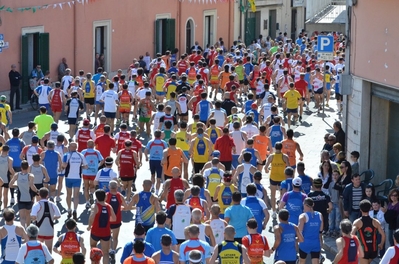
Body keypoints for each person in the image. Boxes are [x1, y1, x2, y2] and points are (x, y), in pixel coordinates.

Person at [351, 199, 386, 264]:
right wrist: (381, 244)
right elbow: (383, 235)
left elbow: (352, 235)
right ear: (370, 208)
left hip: (363, 250)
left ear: (360, 209)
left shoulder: (357, 222)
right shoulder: (376, 222)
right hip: (373, 250)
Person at [87, 189, 116, 264]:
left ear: (96, 197)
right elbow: (114, 218)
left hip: (95, 231)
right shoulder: (109, 207)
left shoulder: (95, 206)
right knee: (105, 252)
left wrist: (89, 226)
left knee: (93, 248)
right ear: (105, 197)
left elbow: (91, 217)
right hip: (106, 232)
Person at [62, 142, 88, 220]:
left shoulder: (66, 155)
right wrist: (80, 166)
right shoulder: (81, 155)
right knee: (76, 195)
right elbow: (86, 167)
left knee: (69, 194)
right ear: (76, 147)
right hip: (78, 177)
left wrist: (63, 168)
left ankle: (69, 209)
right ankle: (75, 210)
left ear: (70, 147)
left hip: (68, 177)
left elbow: (64, 165)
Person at [30, 187, 61, 252]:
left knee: (38, 249)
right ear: (48, 195)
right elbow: (58, 215)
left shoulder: (36, 204)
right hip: (49, 230)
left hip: (39, 230)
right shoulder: (52, 204)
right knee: (49, 250)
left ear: (39, 195)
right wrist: (52, 217)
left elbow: (33, 216)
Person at [9, 161, 39, 228]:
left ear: (21, 167)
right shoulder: (30, 176)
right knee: (28, 215)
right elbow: (32, 186)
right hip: (29, 198)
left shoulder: (17, 175)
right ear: (28, 167)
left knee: (22, 217)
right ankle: (27, 229)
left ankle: (23, 230)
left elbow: (10, 185)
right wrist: (37, 191)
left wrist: (17, 186)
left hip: (20, 198)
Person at [264, 142, 290, 219]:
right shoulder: (285, 156)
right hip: (282, 178)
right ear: (282, 148)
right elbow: (288, 167)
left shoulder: (271, 156)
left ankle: (274, 212)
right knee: (282, 195)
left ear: (275, 147)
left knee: (273, 195)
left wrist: (267, 170)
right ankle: (280, 208)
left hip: (273, 178)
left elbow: (265, 168)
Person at [106, 181, 130, 258]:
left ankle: (109, 250)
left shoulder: (106, 195)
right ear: (117, 188)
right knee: (115, 237)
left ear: (109, 187)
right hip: (117, 220)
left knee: (108, 236)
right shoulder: (120, 196)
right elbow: (126, 207)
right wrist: (121, 207)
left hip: (108, 220)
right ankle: (113, 250)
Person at [298, 198, 323, 264]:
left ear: (305, 205)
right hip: (316, 243)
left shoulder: (302, 216)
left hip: (305, 243)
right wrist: (321, 243)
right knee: (315, 262)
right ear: (313, 205)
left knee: (302, 261)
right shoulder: (320, 215)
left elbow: (299, 231)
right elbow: (320, 231)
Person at [81, 140, 104, 209]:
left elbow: (80, 160)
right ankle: (91, 193)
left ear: (87, 145)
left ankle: (87, 202)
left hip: (85, 172)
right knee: (92, 186)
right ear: (94, 145)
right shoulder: (97, 152)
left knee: (86, 187)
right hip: (94, 172)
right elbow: (102, 160)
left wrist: (82, 167)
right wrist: (98, 166)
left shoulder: (83, 152)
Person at [145, 130, 168, 194]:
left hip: (152, 160)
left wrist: (146, 157)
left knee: (152, 175)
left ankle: (152, 187)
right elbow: (167, 151)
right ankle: (157, 192)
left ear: (154, 135)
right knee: (158, 177)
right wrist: (165, 159)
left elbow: (145, 150)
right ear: (160, 135)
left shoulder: (150, 142)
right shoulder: (163, 143)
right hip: (160, 161)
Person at [0, 145, 15, 209]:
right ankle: (5, 209)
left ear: (2, 150)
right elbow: (10, 169)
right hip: (6, 178)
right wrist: (15, 175)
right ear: (8, 150)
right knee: (5, 195)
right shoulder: (10, 159)